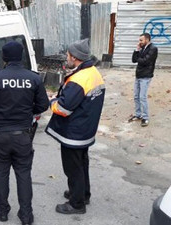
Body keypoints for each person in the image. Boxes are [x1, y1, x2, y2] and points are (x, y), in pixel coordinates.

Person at [0, 41, 49, 225]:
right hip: (23, 136)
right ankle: (26, 216)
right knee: (24, 174)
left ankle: (2, 212)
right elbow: (43, 105)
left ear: (4, 57)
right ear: (21, 56)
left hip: (0, 136)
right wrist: (28, 110)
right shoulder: (33, 78)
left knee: (1, 173)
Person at [45, 39, 105, 214]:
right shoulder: (93, 72)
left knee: (73, 167)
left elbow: (63, 108)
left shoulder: (78, 79)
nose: (66, 57)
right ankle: (82, 193)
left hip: (74, 133)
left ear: (75, 57)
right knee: (82, 164)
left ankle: (77, 204)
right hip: (86, 129)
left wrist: (51, 101)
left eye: (68, 55)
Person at [129, 33, 158, 127]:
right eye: (139, 40)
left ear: (147, 40)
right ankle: (138, 115)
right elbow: (134, 60)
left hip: (146, 76)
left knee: (142, 97)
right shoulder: (142, 48)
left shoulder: (153, 48)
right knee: (136, 96)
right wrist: (136, 50)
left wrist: (138, 58)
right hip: (138, 75)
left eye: (141, 40)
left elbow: (145, 61)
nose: (139, 42)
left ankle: (145, 118)